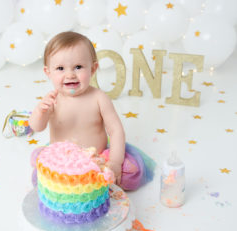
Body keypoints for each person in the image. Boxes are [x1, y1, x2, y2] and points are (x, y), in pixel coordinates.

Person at [29, 31, 155, 191]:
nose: (70, 74)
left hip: (98, 159)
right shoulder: (52, 100)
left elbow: (116, 131)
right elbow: (36, 126)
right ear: (48, 72)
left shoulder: (99, 98)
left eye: (78, 67)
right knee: (41, 171)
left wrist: (115, 162)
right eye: (60, 68)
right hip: (63, 161)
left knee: (130, 172)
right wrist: (40, 111)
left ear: (93, 68)